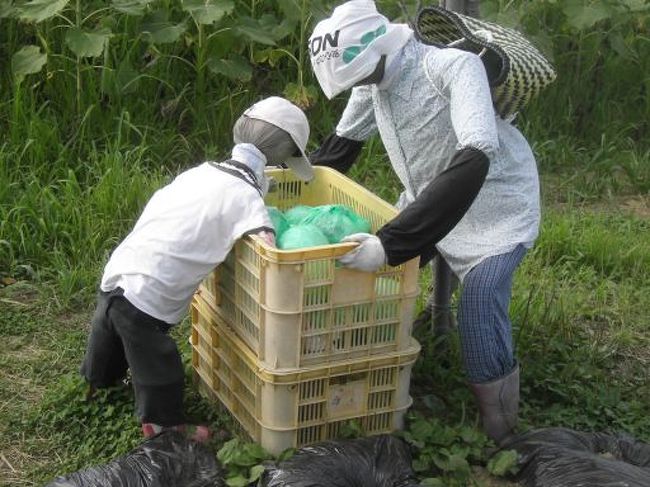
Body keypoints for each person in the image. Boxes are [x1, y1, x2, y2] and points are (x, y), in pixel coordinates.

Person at [308, 0, 540, 445]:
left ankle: (504, 434)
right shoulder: (371, 83)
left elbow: (475, 157)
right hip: (431, 198)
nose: (360, 85)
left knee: (480, 299)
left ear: (380, 49)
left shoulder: (453, 68)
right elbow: (337, 154)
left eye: (360, 76)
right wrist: (277, 184)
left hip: (495, 204)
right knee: (382, 281)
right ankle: (374, 369)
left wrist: (391, 242)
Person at [80, 96, 314, 441]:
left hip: (123, 267)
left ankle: (97, 382)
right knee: (158, 364)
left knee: (109, 326)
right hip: (152, 294)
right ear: (280, 155)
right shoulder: (246, 197)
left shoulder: (199, 173)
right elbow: (268, 245)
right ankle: (164, 428)